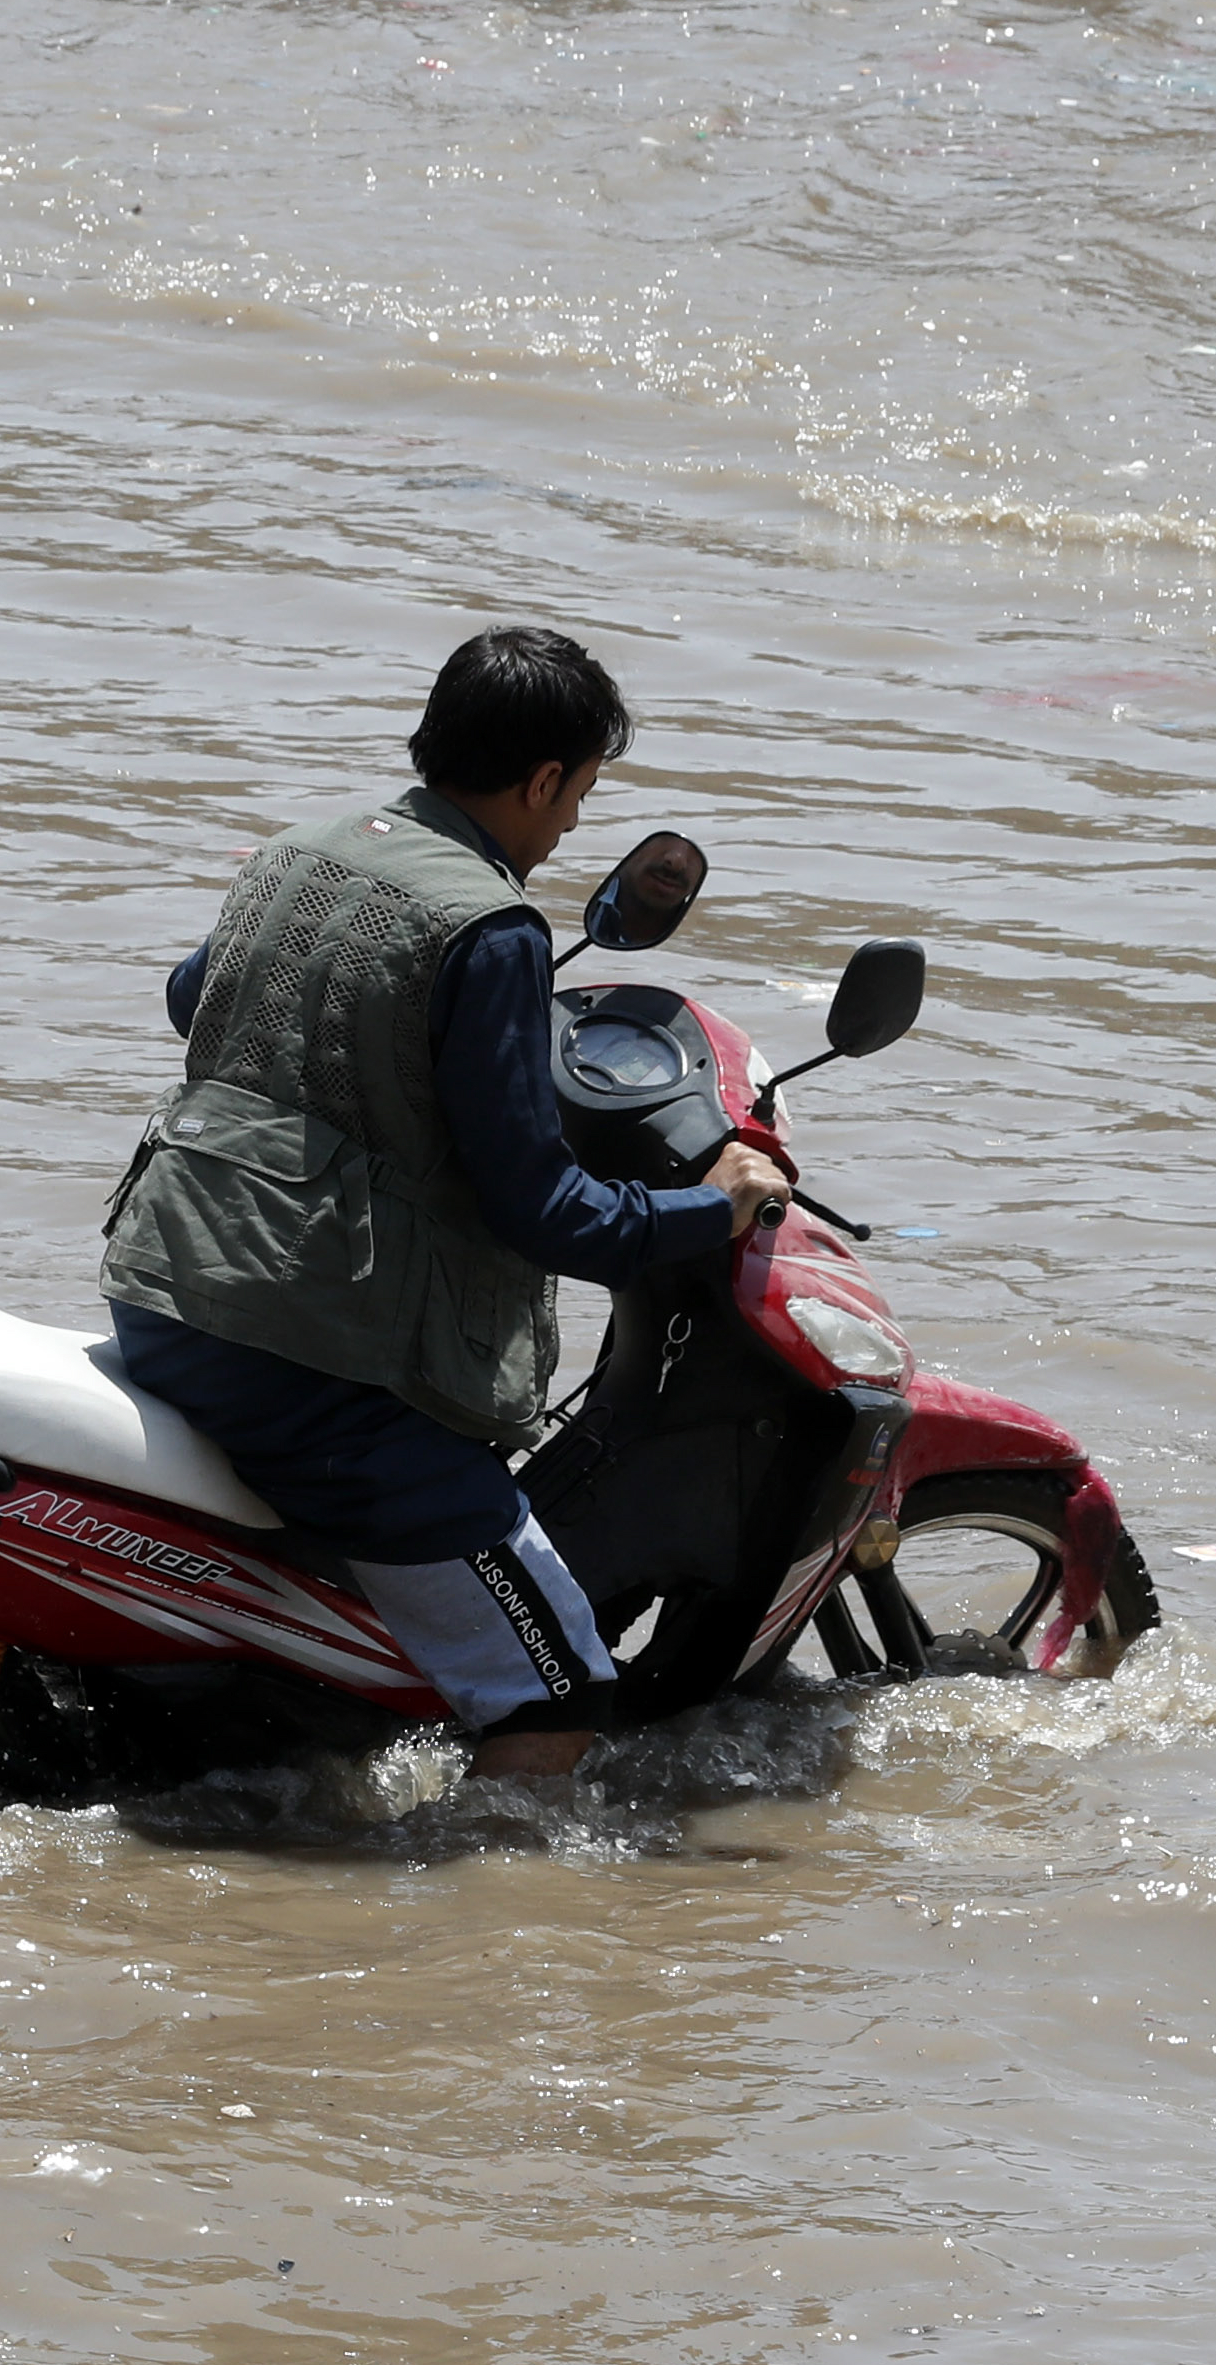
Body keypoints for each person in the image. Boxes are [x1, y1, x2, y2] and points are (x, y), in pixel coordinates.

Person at [99, 626, 790, 1781]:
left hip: (164, 1294)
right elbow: (541, 1211)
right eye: (578, 795)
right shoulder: (493, 926)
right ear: (541, 779)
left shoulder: (297, 852)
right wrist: (705, 1211)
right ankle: (477, 1945)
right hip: (311, 1374)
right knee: (560, 1702)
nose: (572, 828)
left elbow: (195, 1001)